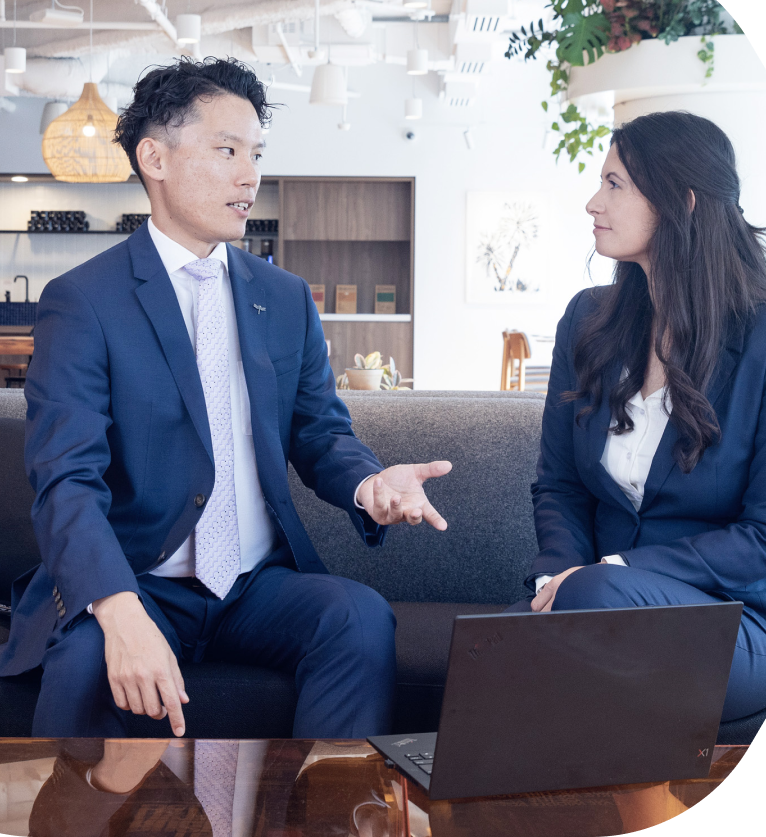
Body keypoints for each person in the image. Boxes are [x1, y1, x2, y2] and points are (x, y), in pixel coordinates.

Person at [0, 57, 452, 739]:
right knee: (89, 662)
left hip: (253, 585)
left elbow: (318, 431)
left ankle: (326, 811)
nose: (250, 176)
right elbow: (66, 479)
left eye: (257, 154)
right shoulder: (84, 302)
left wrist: (367, 483)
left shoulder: (285, 297)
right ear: (155, 157)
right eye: (227, 151)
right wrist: (119, 609)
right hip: (139, 576)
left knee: (358, 618)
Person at [511, 111, 766, 721]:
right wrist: (560, 577)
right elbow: (560, 485)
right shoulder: (587, 319)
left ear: (680, 202)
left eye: (614, 184)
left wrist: (609, 572)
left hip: (738, 626)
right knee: (485, 654)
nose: (591, 203)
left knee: (592, 602)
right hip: (594, 601)